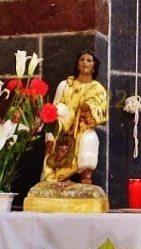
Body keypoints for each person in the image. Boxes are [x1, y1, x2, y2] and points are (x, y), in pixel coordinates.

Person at [40, 50, 108, 185]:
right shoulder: (65, 85)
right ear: (77, 65)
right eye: (82, 60)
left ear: (94, 67)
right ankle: (57, 177)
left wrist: (89, 108)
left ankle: (86, 176)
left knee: (89, 139)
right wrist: (50, 136)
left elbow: (102, 110)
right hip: (63, 128)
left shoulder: (97, 89)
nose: (85, 63)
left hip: (82, 128)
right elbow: (53, 111)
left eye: (89, 60)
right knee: (54, 142)